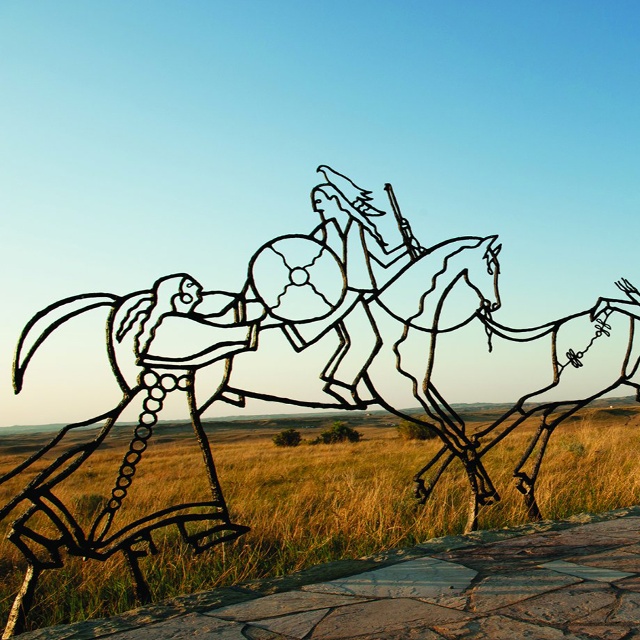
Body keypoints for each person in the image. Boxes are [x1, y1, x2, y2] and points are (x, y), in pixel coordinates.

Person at [282, 166, 413, 407]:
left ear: (334, 199)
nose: (317, 208)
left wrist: (406, 244)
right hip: (338, 295)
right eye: (315, 202)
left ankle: (339, 383)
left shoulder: (360, 229)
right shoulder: (322, 233)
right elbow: (306, 261)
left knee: (368, 341)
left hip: (356, 292)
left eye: (320, 201)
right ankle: (338, 383)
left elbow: (384, 261)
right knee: (365, 340)